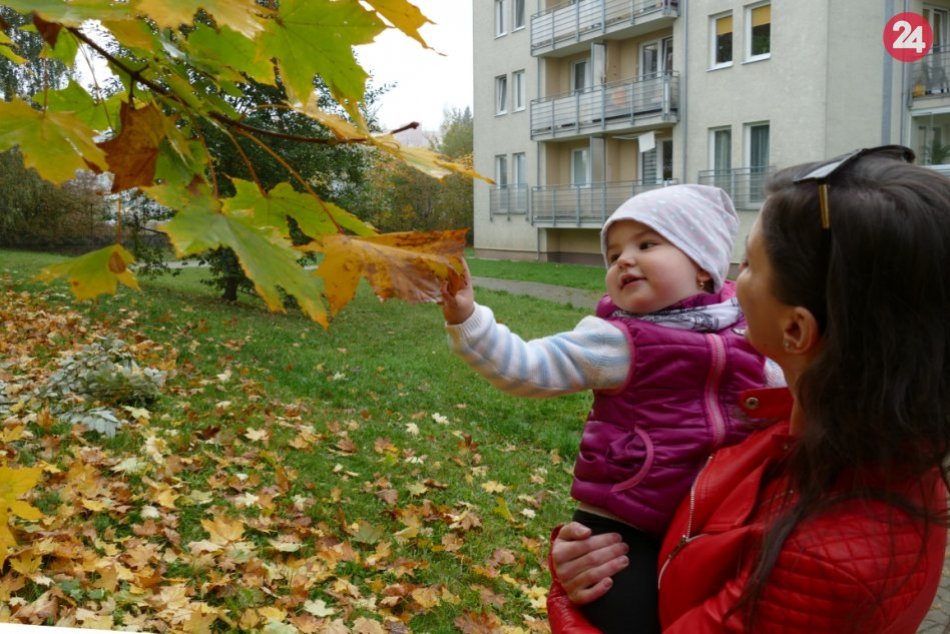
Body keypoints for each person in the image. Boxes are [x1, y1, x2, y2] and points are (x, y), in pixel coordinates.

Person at [547, 145, 950, 632]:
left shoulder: (821, 565)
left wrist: (567, 603)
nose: (732, 281)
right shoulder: (792, 422)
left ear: (796, 331)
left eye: (751, 266)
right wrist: (591, 559)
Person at [440, 184, 782, 634]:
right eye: (615, 251)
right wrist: (467, 317)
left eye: (647, 244)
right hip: (623, 525)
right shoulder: (615, 340)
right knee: (628, 617)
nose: (624, 259)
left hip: (714, 518)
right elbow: (527, 367)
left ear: (703, 266)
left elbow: (790, 395)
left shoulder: (748, 332)